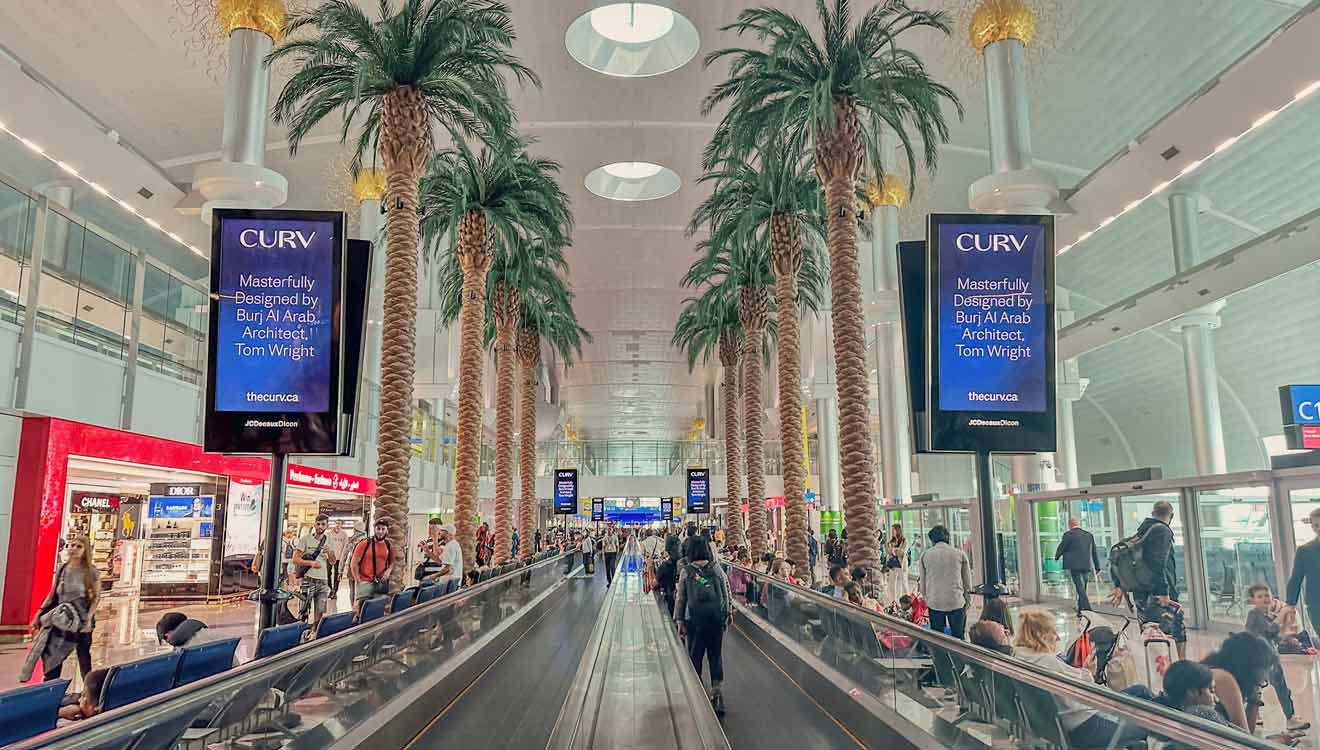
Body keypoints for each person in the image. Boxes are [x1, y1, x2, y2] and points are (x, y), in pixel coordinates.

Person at [1014, 610, 1150, 748]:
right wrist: (1088, 672)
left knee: (1139, 691)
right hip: (1085, 726)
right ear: (1042, 636)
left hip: (1067, 723)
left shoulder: (1020, 658)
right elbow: (1084, 691)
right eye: (1054, 633)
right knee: (1150, 727)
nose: (1057, 638)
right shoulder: (1047, 662)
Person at [1108, 500, 1186, 659]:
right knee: (1175, 632)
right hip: (1158, 592)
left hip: (1140, 592)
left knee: (1149, 633)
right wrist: (1164, 592)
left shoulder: (1142, 532)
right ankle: (1178, 667)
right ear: (1171, 516)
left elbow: (1119, 556)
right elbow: (1158, 563)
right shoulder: (1162, 532)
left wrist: (1119, 584)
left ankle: (1154, 668)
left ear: (1152, 514)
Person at [25, 535, 99, 682]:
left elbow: (96, 597)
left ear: (85, 550)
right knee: (54, 656)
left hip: (82, 622)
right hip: (62, 620)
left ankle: (89, 693)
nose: (74, 549)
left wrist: (89, 619)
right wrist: (39, 614)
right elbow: (52, 594)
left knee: (84, 658)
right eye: (71, 545)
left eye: (79, 546)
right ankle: (51, 689)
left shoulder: (90, 571)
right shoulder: (63, 569)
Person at [674, 536, 732, 716]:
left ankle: (697, 694)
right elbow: (725, 589)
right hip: (715, 619)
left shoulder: (687, 571)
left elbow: (681, 597)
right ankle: (717, 694)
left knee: (695, 655)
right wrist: (728, 612)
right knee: (715, 655)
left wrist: (680, 620)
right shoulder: (715, 568)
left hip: (694, 621)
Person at [1245, 583, 1309, 731]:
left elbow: (1274, 635)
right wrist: (1281, 615)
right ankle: (1254, 715)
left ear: (1272, 597)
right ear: (1253, 600)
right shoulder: (1254, 615)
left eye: (1267, 595)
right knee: (1255, 689)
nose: (1264, 599)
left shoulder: (1268, 617)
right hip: (1257, 659)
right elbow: (1270, 630)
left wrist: (1287, 639)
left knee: (1281, 688)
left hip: (1271, 657)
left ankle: (1290, 717)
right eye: (1259, 596)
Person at [1203, 631, 1281, 734]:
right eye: (1265, 670)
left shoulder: (1216, 669)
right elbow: (1243, 737)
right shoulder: (1224, 679)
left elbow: (1246, 732)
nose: (1266, 678)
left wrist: (1256, 694)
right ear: (1251, 667)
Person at [1154, 660, 1237, 750]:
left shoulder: (1161, 723)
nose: (1216, 699)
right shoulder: (1202, 716)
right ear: (1192, 693)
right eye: (1211, 691)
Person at [918, 525, 972, 640]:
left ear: (932, 539)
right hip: (956, 601)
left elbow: (922, 584)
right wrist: (968, 599)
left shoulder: (925, 555)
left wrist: (926, 598)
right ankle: (959, 657)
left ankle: (941, 657)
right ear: (947, 538)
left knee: (938, 638)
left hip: (935, 601)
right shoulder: (960, 554)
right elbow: (967, 582)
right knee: (959, 636)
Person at [292, 514, 337, 627]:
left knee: (320, 611)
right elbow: (296, 559)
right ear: (314, 524)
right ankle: (301, 633)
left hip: (323, 581)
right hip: (308, 579)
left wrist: (329, 553)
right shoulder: (305, 540)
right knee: (303, 611)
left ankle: (315, 634)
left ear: (327, 526)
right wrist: (311, 563)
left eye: (323, 524)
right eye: (318, 524)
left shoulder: (329, 541)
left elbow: (332, 562)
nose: (320, 527)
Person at [1054, 517, 1101, 616]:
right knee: (1082, 587)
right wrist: (1097, 567)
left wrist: (1056, 556)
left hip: (1074, 566)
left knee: (1080, 588)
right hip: (1086, 565)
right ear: (1079, 524)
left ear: (1070, 525)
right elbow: (1094, 552)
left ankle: (1088, 610)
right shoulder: (1088, 535)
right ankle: (1080, 611)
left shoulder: (1068, 535)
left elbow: (1062, 547)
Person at [1287, 506, 1320, 636]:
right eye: (1315, 526)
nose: (1318, 529)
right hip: (1317, 604)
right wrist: (1290, 604)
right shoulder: (1305, 551)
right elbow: (1296, 579)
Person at [351, 519, 395, 609]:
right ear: (374, 529)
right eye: (378, 528)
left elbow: (392, 562)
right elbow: (354, 563)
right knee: (362, 610)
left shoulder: (388, 545)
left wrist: (388, 571)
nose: (380, 532)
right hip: (365, 582)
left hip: (380, 583)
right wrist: (358, 580)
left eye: (383, 529)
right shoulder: (364, 544)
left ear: (387, 530)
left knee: (377, 609)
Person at [416, 518, 446, 584]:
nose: (430, 531)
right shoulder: (428, 540)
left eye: (433, 528)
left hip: (435, 575)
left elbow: (437, 556)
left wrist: (435, 538)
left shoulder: (443, 542)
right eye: (429, 528)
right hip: (424, 573)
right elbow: (420, 552)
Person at [884, 524, 909, 600]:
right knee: (891, 583)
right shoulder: (891, 541)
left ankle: (907, 600)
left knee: (904, 583)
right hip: (893, 565)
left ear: (898, 530)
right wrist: (895, 550)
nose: (892, 532)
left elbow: (902, 552)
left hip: (901, 564)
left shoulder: (904, 541)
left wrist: (893, 550)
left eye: (893, 530)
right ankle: (893, 600)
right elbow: (888, 551)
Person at [325, 520, 349, 598]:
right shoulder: (329, 533)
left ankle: (335, 591)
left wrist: (343, 557)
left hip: (339, 558)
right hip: (330, 557)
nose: (337, 525)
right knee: (327, 574)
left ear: (342, 525)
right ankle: (330, 589)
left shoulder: (344, 534)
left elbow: (346, 546)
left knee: (337, 575)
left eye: (339, 523)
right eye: (336, 523)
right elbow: (326, 544)